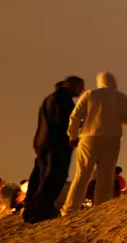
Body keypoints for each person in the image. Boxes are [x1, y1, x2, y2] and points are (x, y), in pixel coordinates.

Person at [62, 72, 127, 215]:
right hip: (111, 139)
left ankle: (70, 208)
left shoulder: (90, 94)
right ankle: (100, 208)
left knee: (82, 174)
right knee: (106, 176)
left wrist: (72, 135)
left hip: (88, 138)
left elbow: (75, 116)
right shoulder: (121, 97)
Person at [24, 76, 85, 223]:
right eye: (80, 86)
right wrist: (80, 127)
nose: (82, 90)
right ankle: (40, 210)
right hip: (56, 145)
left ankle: (32, 208)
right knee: (54, 177)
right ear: (71, 85)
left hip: (42, 143)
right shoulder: (63, 101)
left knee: (42, 176)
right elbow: (63, 123)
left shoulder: (50, 99)